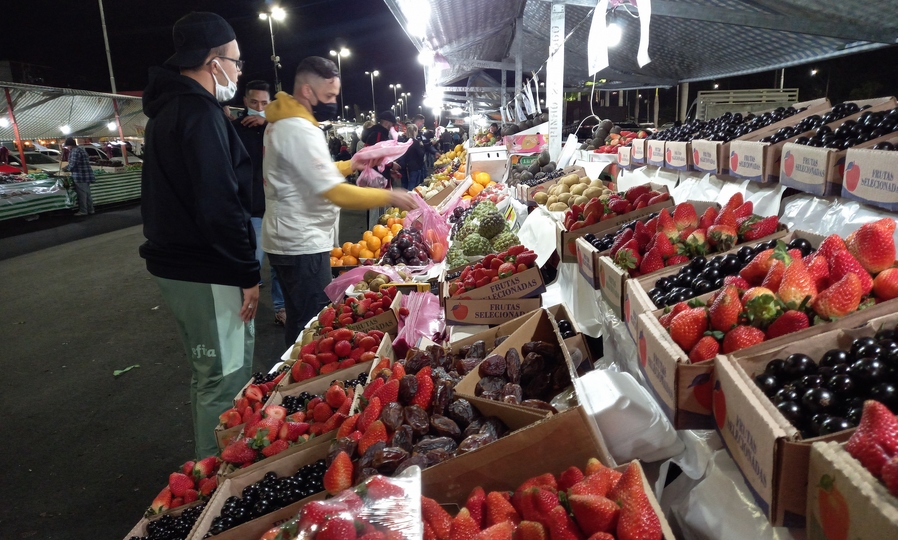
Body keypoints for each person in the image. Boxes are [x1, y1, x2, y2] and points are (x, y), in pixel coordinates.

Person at [139, 11, 259, 459]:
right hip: (206, 266)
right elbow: (218, 203)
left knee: (208, 372)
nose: (239, 72)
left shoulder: (167, 111)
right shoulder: (198, 113)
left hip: (179, 264)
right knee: (225, 376)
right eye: (237, 61)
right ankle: (216, 483)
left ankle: (205, 466)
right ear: (214, 62)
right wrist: (247, 270)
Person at [262, 56, 418, 347]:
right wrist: (391, 195)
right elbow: (335, 192)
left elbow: (310, 174)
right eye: (329, 95)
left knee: (300, 317)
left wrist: (351, 164)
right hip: (301, 241)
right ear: (308, 91)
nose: (333, 101)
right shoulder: (298, 128)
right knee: (310, 323)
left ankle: (294, 373)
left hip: (287, 237)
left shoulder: (281, 122)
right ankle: (299, 379)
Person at [232, 79, 286, 326]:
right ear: (244, 101)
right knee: (252, 262)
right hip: (251, 208)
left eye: (264, 103)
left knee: (280, 262)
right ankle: (244, 311)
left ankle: (281, 307)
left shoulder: (277, 129)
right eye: (254, 102)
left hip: (278, 206)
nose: (258, 107)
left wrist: (268, 124)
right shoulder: (232, 130)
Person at [63, 138, 96, 216]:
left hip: (80, 176)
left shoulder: (74, 151)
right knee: (87, 194)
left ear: (70, 145)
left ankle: (83, 211)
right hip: (87, 175)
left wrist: (66, 169)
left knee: (82, 194)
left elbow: (73, 164)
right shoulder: (81, 150)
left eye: (67, 146)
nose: (67, 148)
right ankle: (91, 210)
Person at [401, 124, 426, 191]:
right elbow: (421, 154)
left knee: (408, 183)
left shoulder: (404, 141)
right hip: (416, 166)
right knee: (414, 184)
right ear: (414, 131)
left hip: (406, 166)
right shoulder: (415, 142)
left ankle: (407, 197)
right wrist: (422, 147)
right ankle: (412, 198)